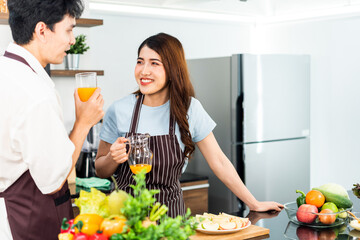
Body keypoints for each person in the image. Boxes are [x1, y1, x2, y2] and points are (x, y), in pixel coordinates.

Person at [95, 32, 283, 217]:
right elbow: (100, 169)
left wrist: (254, 203)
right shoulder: (119, 109)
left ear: (172, 69)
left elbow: (219, 161)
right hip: (125, 219)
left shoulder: (189, 108)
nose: (144, 71)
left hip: (171, 221)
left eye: (154, 63)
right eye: (140, 61)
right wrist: (113, 158)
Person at [0, 0, 104, 239]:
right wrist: (83, 122)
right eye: (68, 29)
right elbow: (55, 181)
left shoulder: (6, 70)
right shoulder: (35, 94)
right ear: (42, 31)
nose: (72, 40)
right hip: (28, 224)